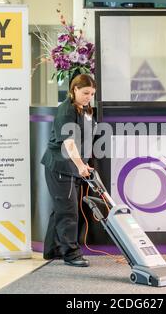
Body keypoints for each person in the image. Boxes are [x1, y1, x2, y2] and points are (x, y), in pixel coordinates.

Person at [41, 74, 96, 267]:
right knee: (68, 211)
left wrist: (83, 163)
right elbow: (69, 143)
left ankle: (53, 249)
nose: (89, 96)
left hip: (73, 166)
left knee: (61, 209)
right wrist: (81, 166)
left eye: (91, 93)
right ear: (74, 90)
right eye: (85, 92)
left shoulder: (84, 109)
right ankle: (71, 254)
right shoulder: (66, 110)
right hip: (61, 167)